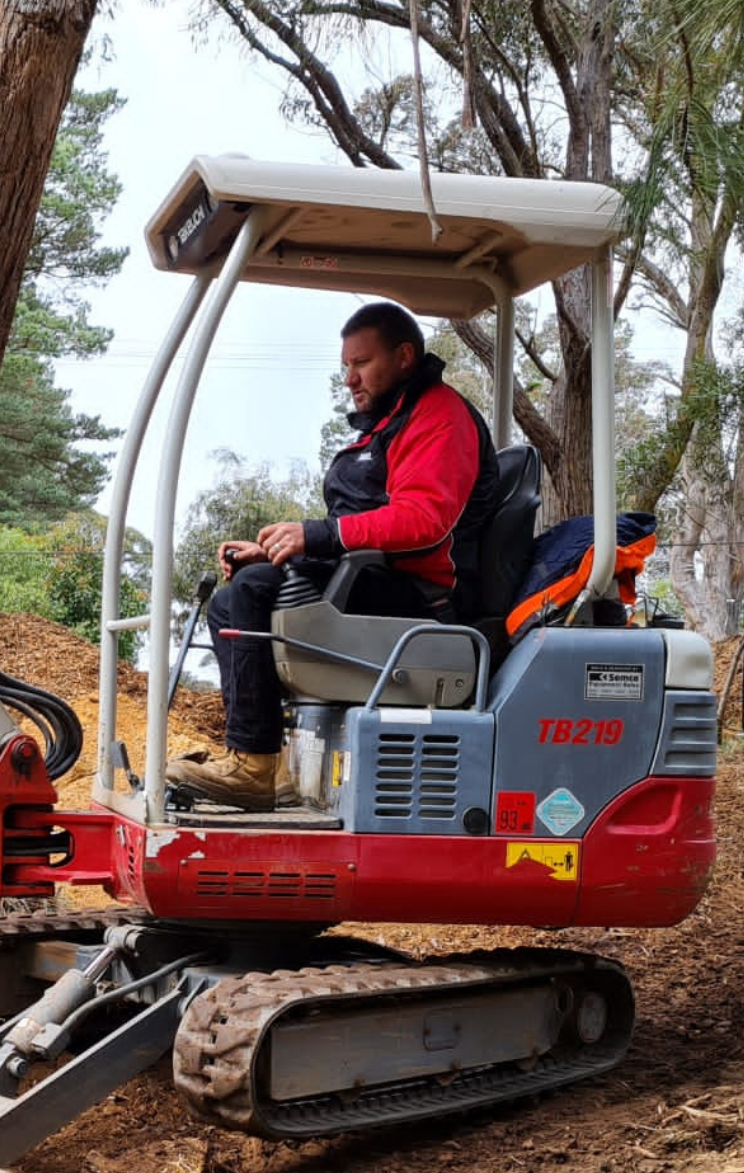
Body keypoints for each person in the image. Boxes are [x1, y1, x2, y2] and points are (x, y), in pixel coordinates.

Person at [169, 300, 499, 812]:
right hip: (368, 576)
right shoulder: (386, 424)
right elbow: (354, 526)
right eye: (346, 366)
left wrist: (317, 538)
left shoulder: (440, 417)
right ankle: (264, 760)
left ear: (405, 356)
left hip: (423, 597)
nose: (350, 378)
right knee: (233, 597)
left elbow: (424, 521)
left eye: (361, 363)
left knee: (253, 592)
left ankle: (254, 766)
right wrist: (276, 551)